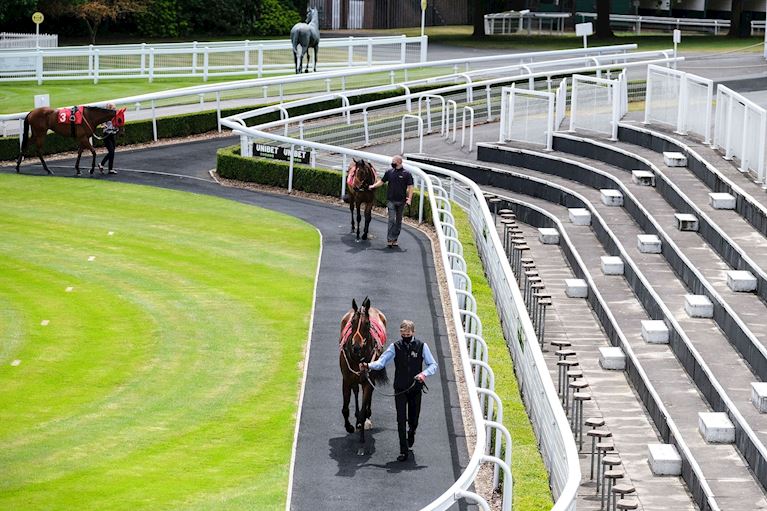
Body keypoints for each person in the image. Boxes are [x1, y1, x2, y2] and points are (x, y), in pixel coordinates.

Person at [360, 320, 437, 461]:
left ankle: (412, 431)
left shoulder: (422, 346)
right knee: (400, 419)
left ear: (413, 333)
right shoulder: (395, 347)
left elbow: (433, 364)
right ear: (400, 333)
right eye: (403, 333)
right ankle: (403, 451)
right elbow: (381, 362)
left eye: (408, 333)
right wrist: (367, 365)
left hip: (415, 389)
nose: (405, 335)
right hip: (400, 389)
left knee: (414, 419)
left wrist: (423, 374)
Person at [368, 155, 413, 248]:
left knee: (399, 221)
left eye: (394, 162)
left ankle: (395, 239)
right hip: (391, 200)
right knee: (391, 219)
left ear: (399, 162)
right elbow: (382, 181)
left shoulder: (407, 174)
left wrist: (409, 199)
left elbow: (410, 187)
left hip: (401, 201)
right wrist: (373, 186)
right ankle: (390, 239)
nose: (392, 163)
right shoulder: (389, 172)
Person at [98, 103, 119, 175]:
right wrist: (104, 125)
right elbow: (102, 123)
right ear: (109, 109)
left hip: (112, 135)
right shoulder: (105, 116)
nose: (115, 109)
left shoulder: (114, 116)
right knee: (111, 152)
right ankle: (102, 164)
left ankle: (110, 169)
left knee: (112, 152)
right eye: (113, 108)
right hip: (107, 135)